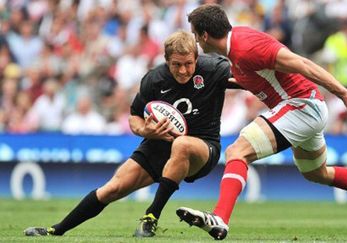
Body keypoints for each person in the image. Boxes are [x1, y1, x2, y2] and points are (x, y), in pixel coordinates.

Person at [177, 4, 347, 240]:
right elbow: (253, 78)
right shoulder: (237, 50)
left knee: (237, 151)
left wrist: (344, 93)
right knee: (317, 173)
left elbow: (304, 64)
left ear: (204, 35)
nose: (196, 42)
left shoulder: (247, 46)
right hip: (306, 110)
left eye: (195, 35)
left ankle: (220, 218)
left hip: (301, 107)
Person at [24, 30, 234, 238]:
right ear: (166, 60)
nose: (183, 70)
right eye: (176, 64)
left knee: (182, 145)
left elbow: (247, 79)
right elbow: (134, 116)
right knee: (112, 188)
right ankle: (56, 230)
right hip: (158, 144)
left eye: (188, 63)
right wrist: (145, 130)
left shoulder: (213, 69)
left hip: (203, 147)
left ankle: (151, 216)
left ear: (197, 58)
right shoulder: (154, 79)